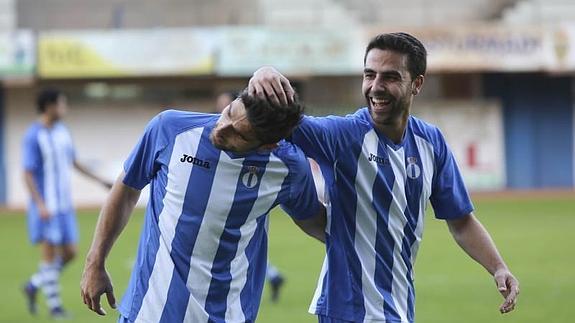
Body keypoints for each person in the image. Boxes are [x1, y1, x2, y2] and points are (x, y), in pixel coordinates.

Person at [248, 32, 520, 323]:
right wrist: (262, 75)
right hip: (349, 309)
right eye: (369, 75)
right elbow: (271, 118)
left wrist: (498, 267)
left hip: (399, 307)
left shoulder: (431, 142)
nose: (376, 87)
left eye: (389, 77)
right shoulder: (343, 137)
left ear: (416, 84)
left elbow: (461, 221)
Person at [80, 88, 326, 322]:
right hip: (149, 311)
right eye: (229, 112)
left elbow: (316, 222)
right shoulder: (170, 129)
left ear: (268, 145)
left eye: (238, 135)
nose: (222, 128)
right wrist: (95, 262)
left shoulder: (288, 167)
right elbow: (126, 189)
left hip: (228, 316)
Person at [22, 88, 113, 318]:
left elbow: (75, 161)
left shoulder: (63, 131)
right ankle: (56, 308)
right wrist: (40, 204)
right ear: (50, 106)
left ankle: (33, 285)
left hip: (64, 206)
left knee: (71, 252)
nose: (65, 108)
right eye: (62, 104)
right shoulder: (34, 135)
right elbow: (28, 173)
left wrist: (100, 180)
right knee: (49, 256)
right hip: (47, 208)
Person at [215, 89, 287, 303]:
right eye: (226, 110)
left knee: (239, 254)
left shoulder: (280, 162)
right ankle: (273, 275)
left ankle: (272, 275)